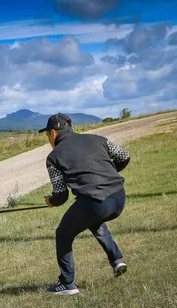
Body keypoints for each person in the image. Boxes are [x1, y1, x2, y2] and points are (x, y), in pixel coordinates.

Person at [39, 113, 131, 295]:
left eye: (47, 135)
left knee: (63, 233)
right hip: (119, 198)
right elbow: (125, 156)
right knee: (92, 220)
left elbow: (61, 195)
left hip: (96, 203)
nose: (48, 138)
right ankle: (117, 260)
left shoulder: (53, 157)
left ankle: (67, 284)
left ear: (53, 133)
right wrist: (109, 173)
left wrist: (51, 201)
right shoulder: (98, 139)